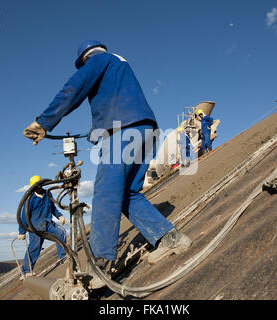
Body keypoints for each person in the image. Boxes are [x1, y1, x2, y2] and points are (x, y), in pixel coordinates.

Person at [23, 40, 192, 288]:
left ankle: (100, 264)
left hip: (123, 130)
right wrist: (97, 133)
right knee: (127, 193)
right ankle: (170, 238)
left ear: (84, 60)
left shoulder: (98, 61)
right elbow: (113, 103)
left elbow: (74, 89)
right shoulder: (119, 65)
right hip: (145, 129)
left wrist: (44, 122)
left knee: (106, 192)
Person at [17, 175, 67, 279]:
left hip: (48, 224)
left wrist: (60, 216)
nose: (37, 188)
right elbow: (24, 216)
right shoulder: (29, 199)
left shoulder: (47, 194)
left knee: (60, 233)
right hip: (35, 228)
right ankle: (26, 271)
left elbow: (53, 208)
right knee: (34, 248)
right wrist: (21, 232)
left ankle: (63, 257)